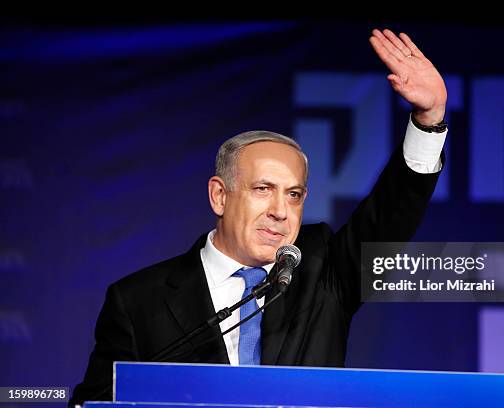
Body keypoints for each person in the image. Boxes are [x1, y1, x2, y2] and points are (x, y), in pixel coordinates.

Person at [69, 28, 448, 406]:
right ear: (220, 195)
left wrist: (428, 121)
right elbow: (93, 402)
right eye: (263, 189)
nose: (281, 211)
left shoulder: (323, 269)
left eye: (294, 195)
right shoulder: (139, 300)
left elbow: (389, 219)